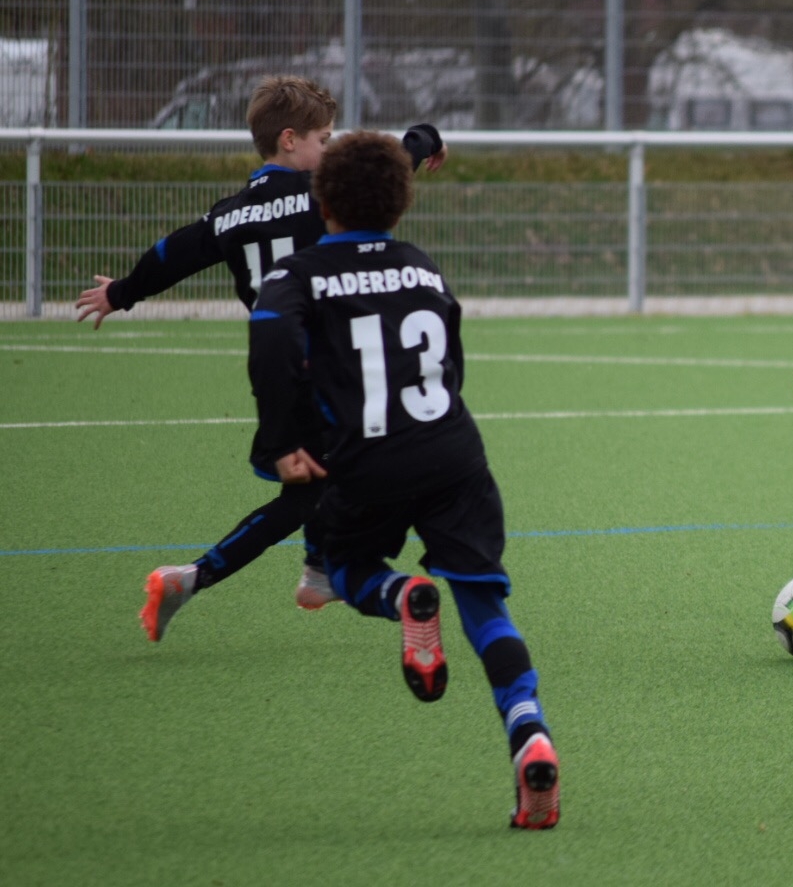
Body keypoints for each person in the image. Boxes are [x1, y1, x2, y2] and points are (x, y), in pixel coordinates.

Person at [248, 130, 559, 829]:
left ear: (321, 201)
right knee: (485, 606)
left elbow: (270, 338)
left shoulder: (298, 274)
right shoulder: (422, 268)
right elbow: (451, 362)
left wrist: (284, 442)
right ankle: (529, 731)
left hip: (365, 464)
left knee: (341, 570)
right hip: (454, 455)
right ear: (402, 203)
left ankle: (403, 596)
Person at [72, 74, 445, 640]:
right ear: (290, 140)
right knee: (322, 489)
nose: (330, 149)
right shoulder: (324, 194)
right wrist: (426, 137)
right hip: (335, 372)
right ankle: (194, 577)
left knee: (319, 482)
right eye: (324, 139)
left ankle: (316, 572)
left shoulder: (230, 214)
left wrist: (121, 293)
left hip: (278, 373)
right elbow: (393, 161)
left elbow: (172, 253)